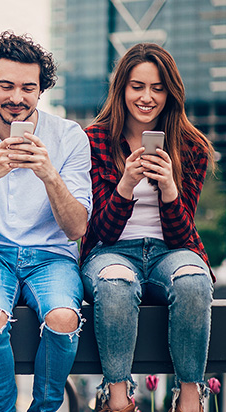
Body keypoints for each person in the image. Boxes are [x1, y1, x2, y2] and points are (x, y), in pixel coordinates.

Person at [0, 30, 92, 412]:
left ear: (41, 89)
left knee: (63, 318)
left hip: (51, 256)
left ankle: (45, 407)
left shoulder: (70, 137)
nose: (16, 98)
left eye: (28, 87)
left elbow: (77, 229)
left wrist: (49, 175)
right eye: (6, 86)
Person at [81, 43, 215, 412]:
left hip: (168, 252)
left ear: (170, 92)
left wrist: (170, 189)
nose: (147, 97)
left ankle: (190, 396)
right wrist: (125, 186)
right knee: (116, 284)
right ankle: (118, 398)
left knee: (194, 280)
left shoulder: (192, 147)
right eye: (137, 86)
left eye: (157, 88)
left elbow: (183, 238)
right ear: (122, 89)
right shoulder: (93, 141)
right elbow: (99, 232)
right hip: (110, 252)